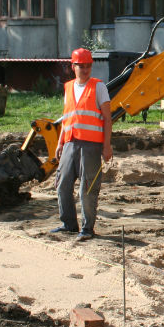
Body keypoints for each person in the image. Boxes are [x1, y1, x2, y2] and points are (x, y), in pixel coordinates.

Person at [50, 48, 113, 241]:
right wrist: (60, 142)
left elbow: (107, 119)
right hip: (70, 143)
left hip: (91, 146)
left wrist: (107, 145)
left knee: (87, 187)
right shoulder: (68, 88)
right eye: (81, 66)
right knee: (62, 184)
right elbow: (67, 119)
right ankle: (68, 224)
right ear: (73, 66)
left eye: (88, 66)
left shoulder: (99, 87)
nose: (85, 70)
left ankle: (87, 228)